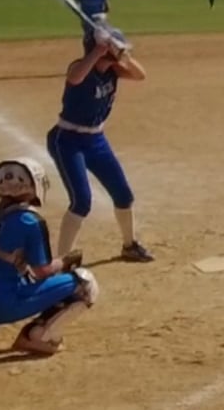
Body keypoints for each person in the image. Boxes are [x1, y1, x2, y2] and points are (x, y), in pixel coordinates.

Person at [0, 158, 99, 356]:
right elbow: (42, 271)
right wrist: (64, 261)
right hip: (2, 305)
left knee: (8, 273)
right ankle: (36, 336)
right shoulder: (30, 221)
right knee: (85, 282)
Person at [46, 24, 154, 263]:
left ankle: (129, 245)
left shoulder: (113, 71)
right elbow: (75, 77)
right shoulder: (80, 67)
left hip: (96, 139)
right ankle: (60, 261)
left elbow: (140, 74)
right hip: (67, 140)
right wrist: (97, 51)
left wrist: (122, 54)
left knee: (123, 195)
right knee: (81, 201)